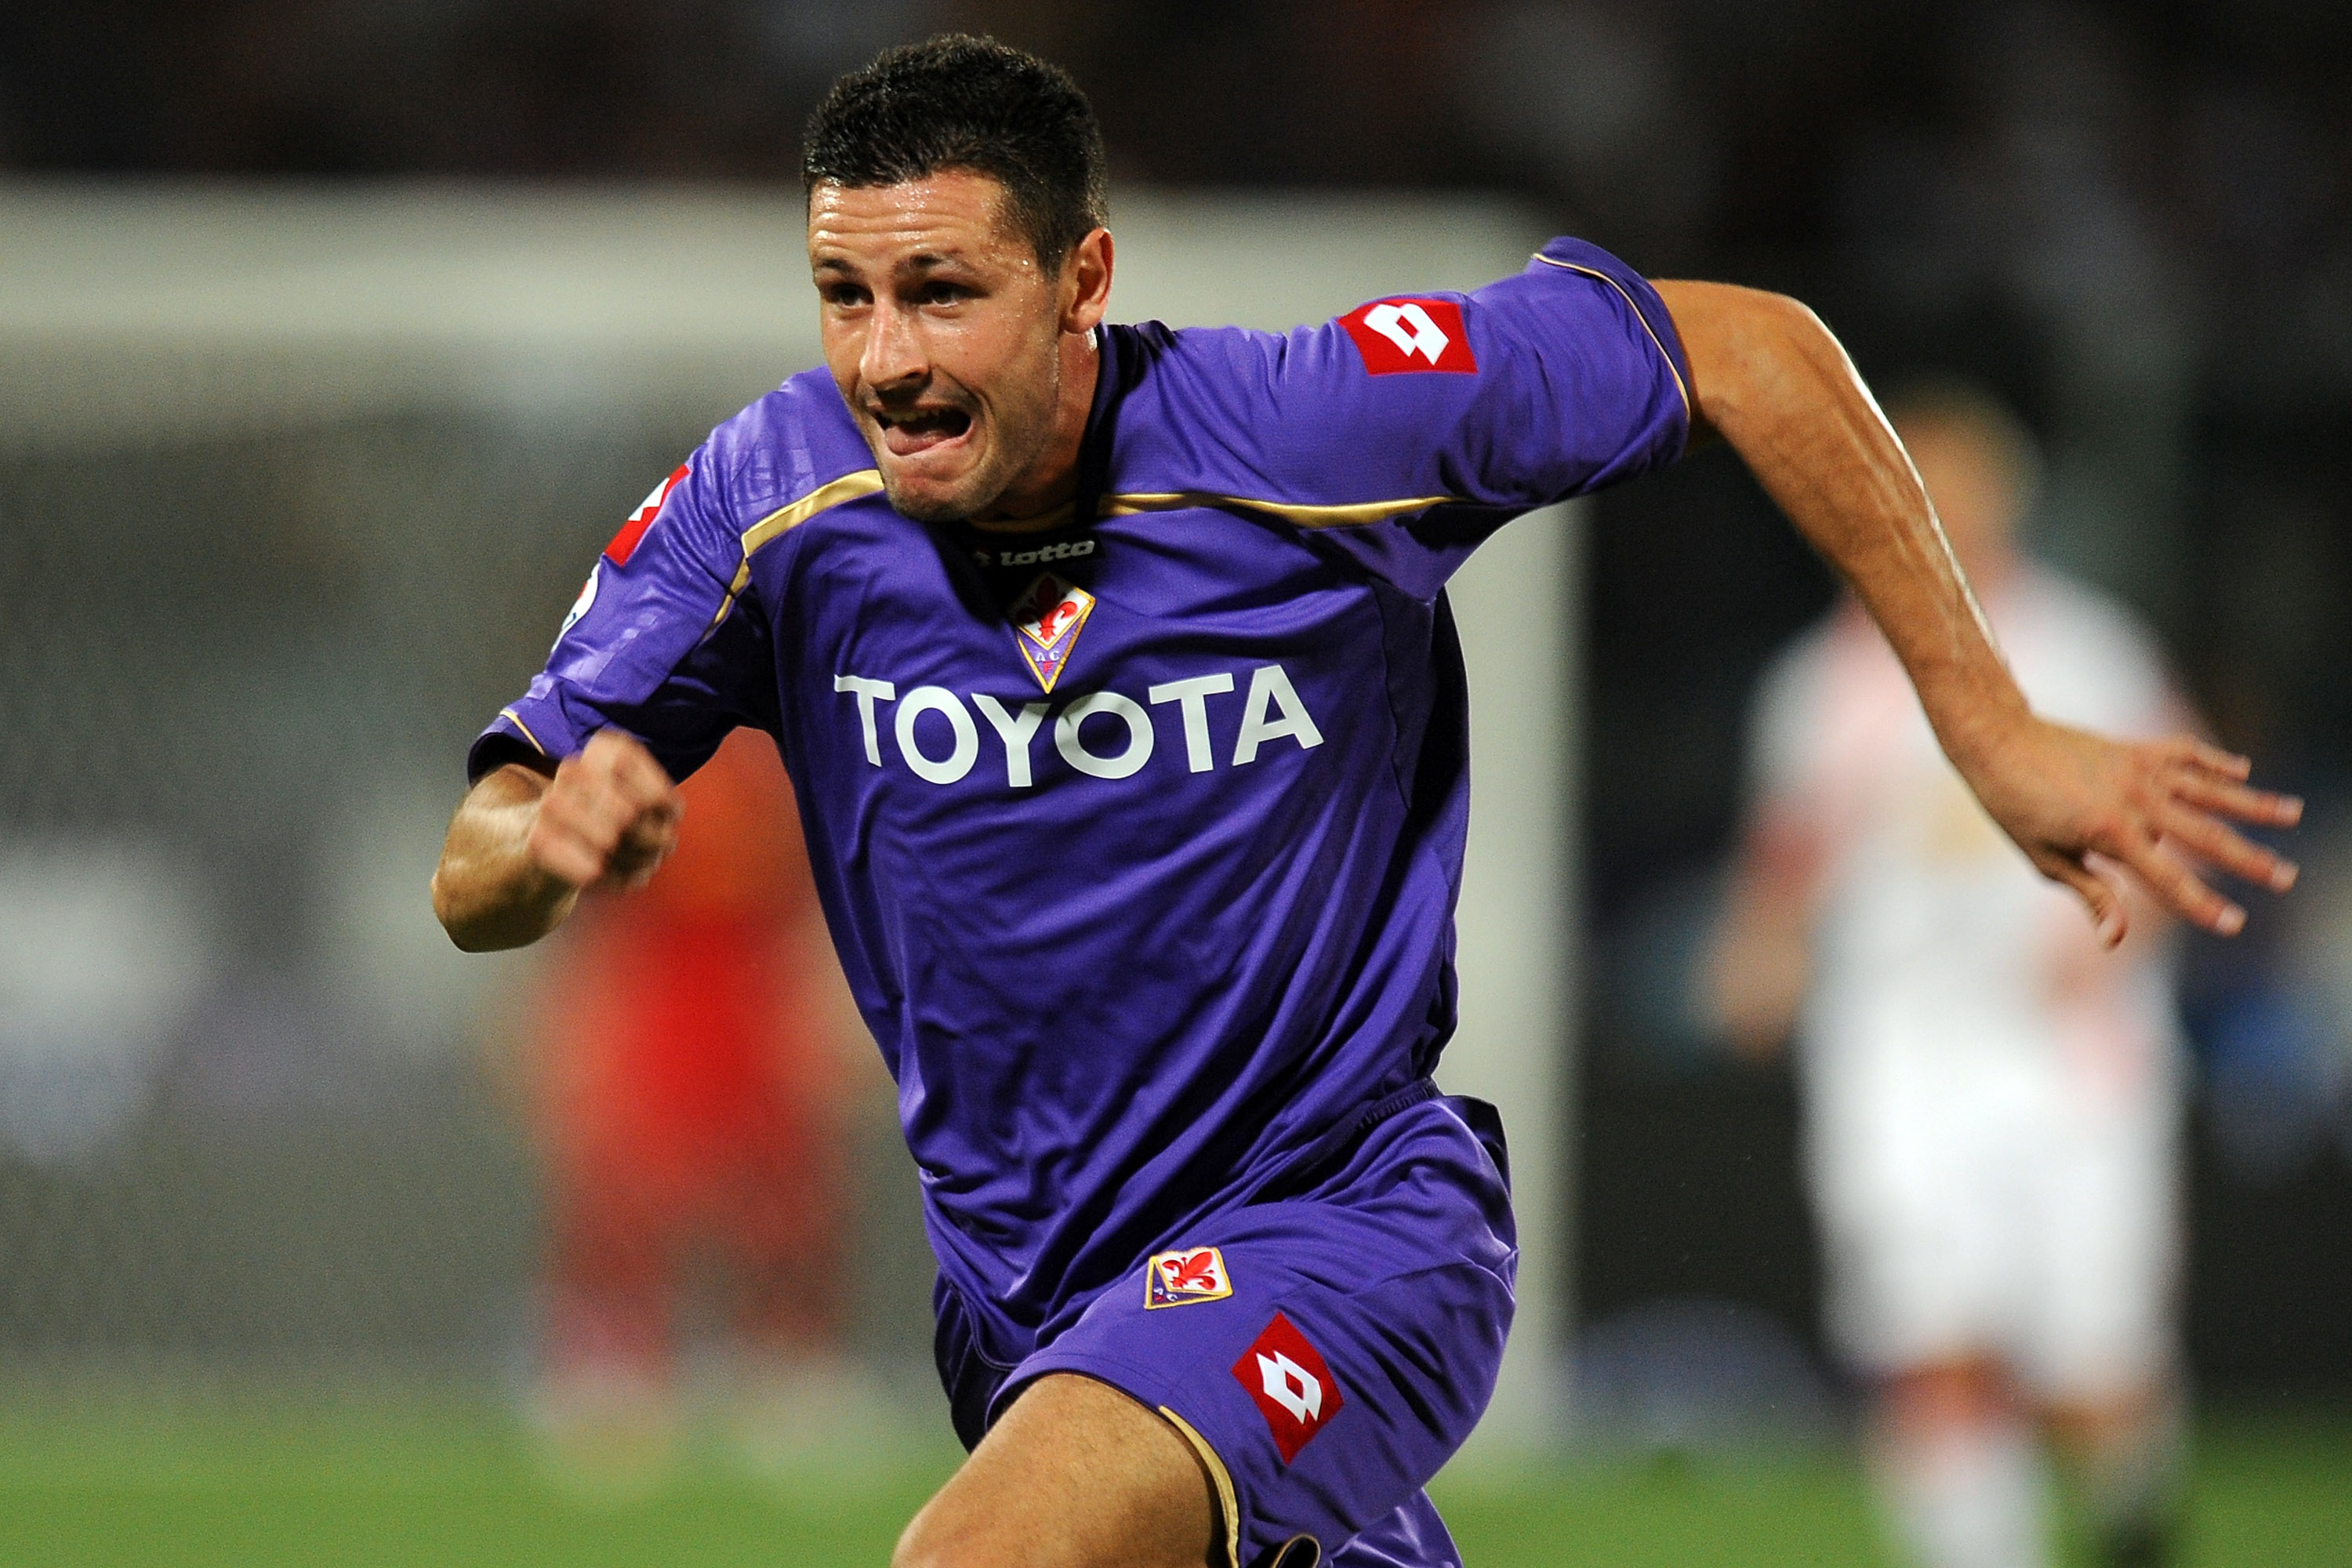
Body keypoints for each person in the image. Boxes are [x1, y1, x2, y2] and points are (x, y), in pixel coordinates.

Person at [430, 35, 2296, 1568]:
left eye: (941, 292)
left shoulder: (1309, 431)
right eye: (844, 295)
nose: (885, 358)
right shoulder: (772, 504)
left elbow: (1746, 349)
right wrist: (548, 844)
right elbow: (480, 853)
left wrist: (1986, 725)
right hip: (1029, 1305)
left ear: (1083, 279)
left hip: (1342, 1225)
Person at [1708, 384, 2200, 1568]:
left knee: (2093, 1367)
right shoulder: (1822, 681)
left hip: (2067, 1048)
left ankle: (2136, 1495)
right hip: (1898, 1045)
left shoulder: (2085, 649)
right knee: (1929, 1338)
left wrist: (2125, 926)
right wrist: (1759, 954)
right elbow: (1789, 855)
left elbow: (2181, 810)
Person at [500, 726, 868, 1485]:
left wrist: (832, 1002)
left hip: (754, 992)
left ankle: (786, 1371)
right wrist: (564, 1021)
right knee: (624, 1189)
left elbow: (820, 893)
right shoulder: (625, 740)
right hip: (657, 990)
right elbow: (585, 909)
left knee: (785, 1197)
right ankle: (613, 1372)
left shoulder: (788, 748)